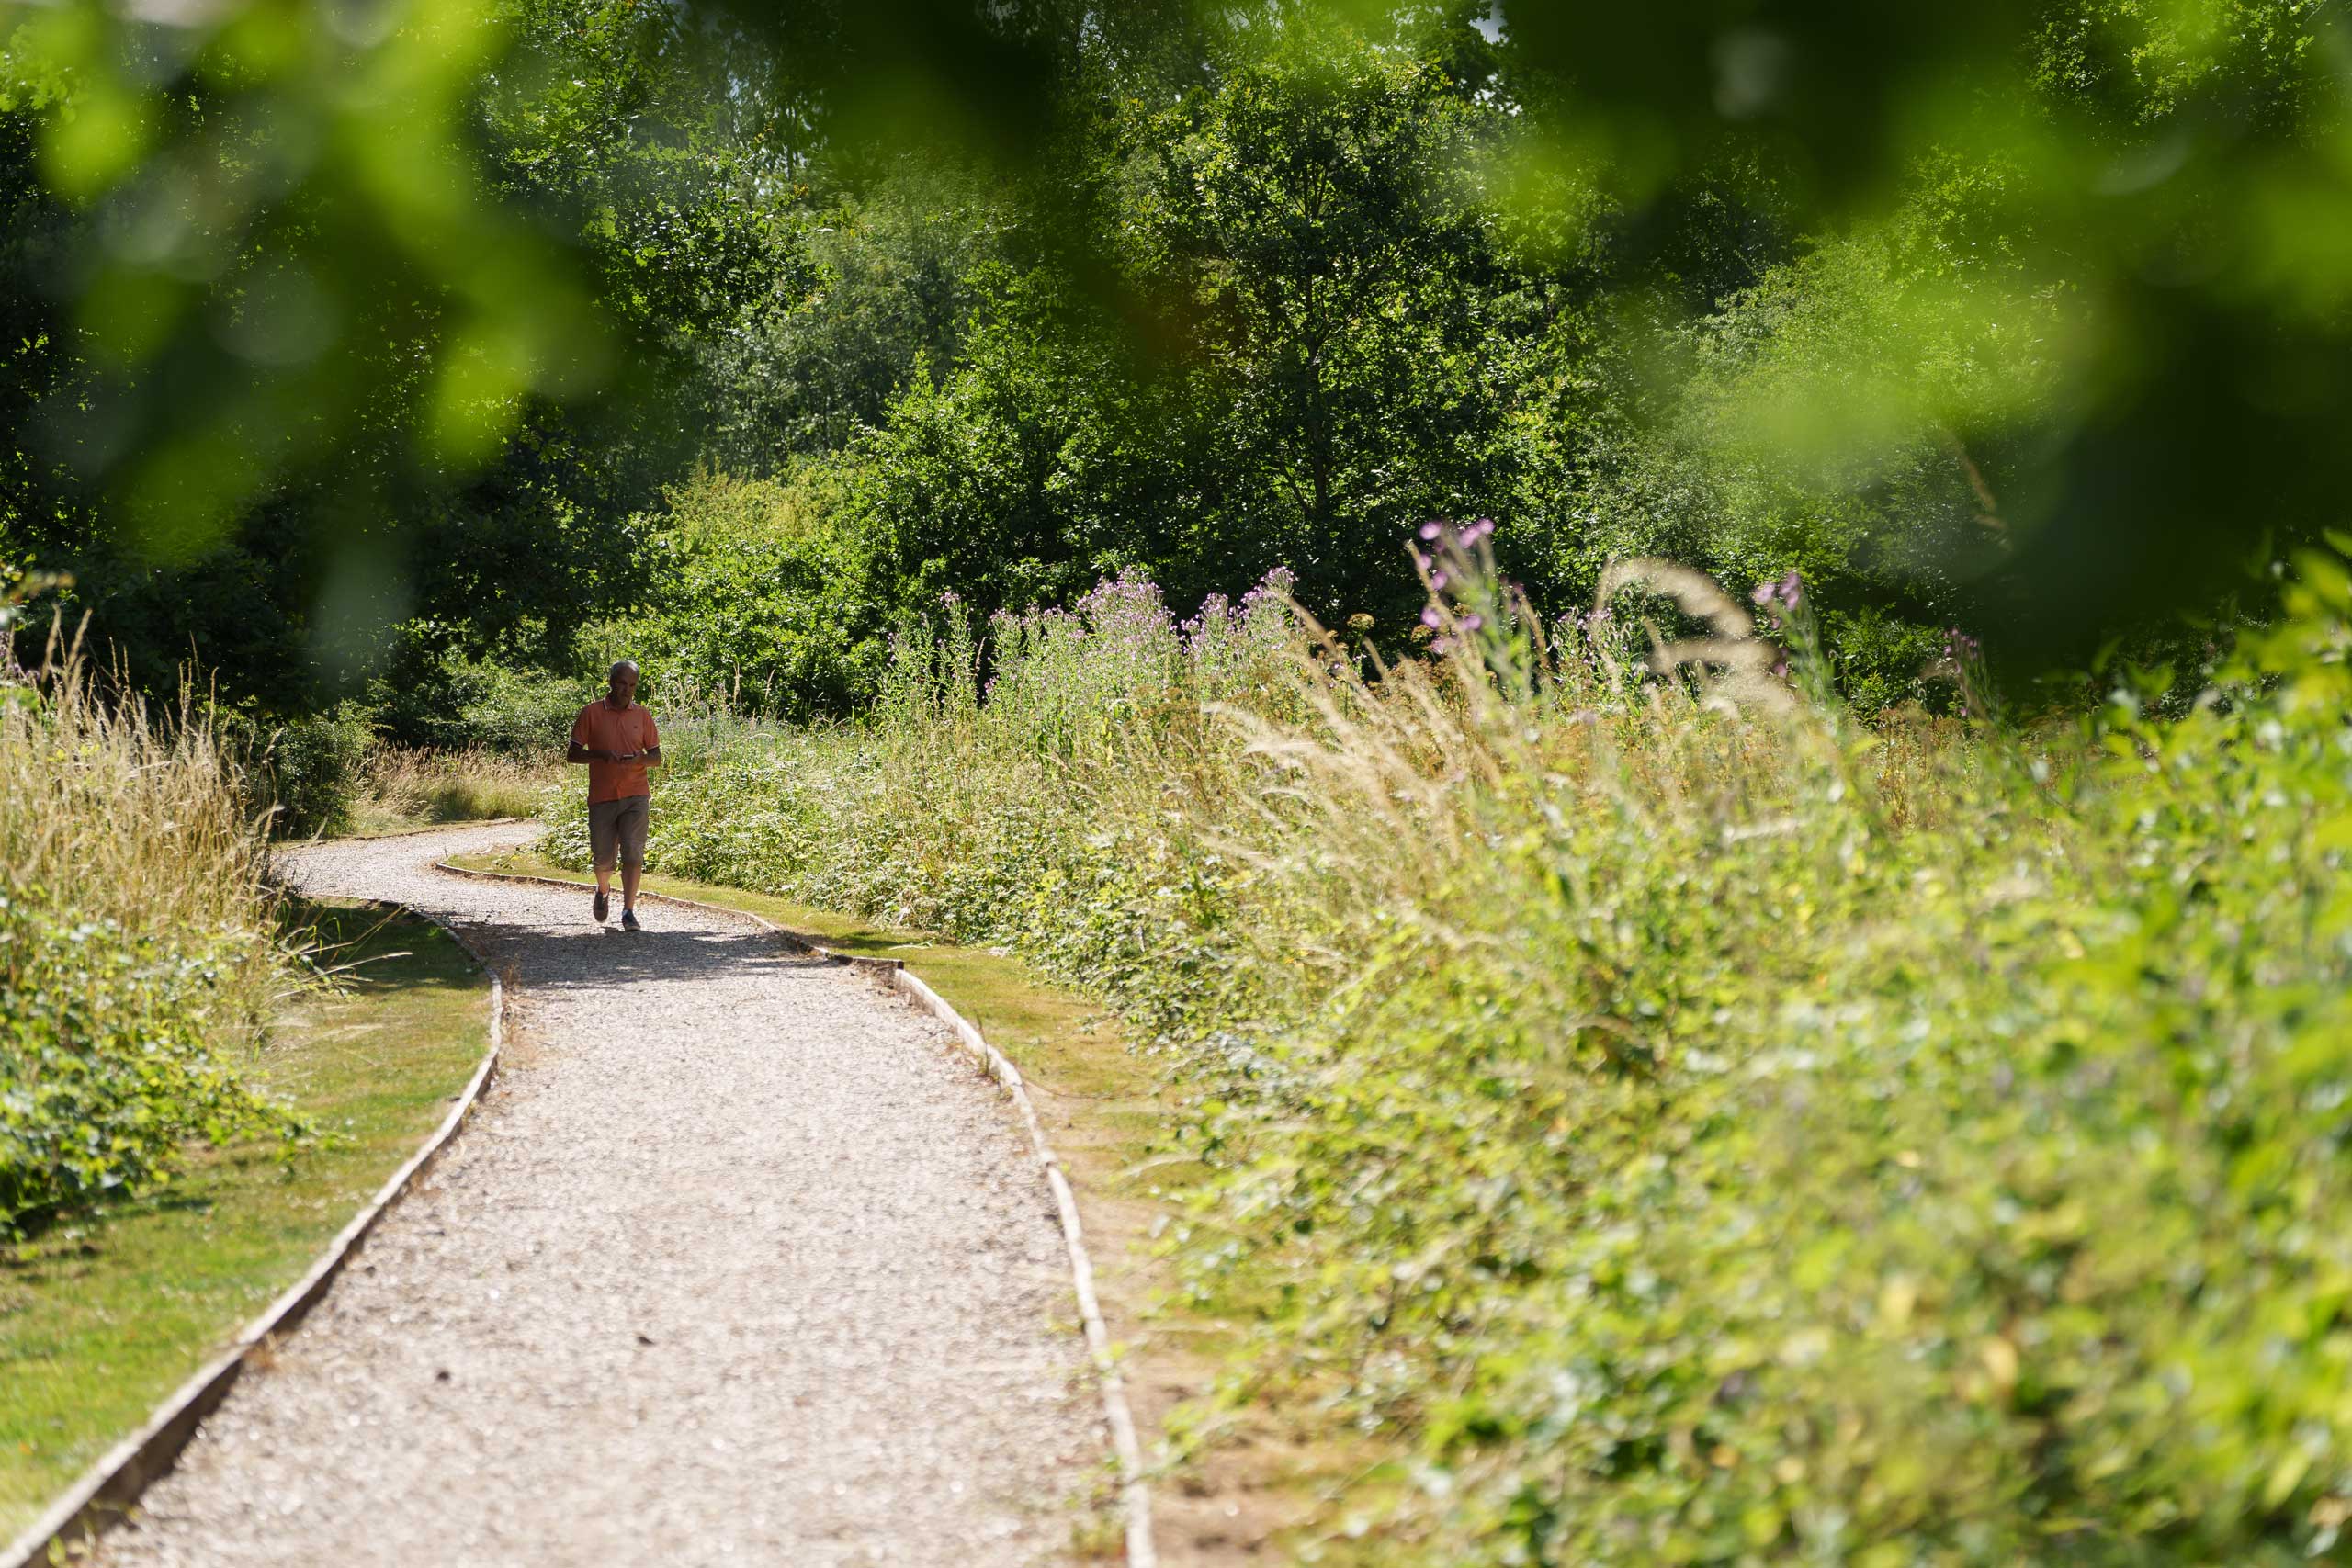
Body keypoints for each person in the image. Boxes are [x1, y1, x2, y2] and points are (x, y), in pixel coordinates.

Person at [567, 660, 662, 931]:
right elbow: (572, 754)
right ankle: (603, 889)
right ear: (611, 682)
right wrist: (601, 755)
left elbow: (657, 758)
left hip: (636, 794)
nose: (627, 690)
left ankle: (629, 911)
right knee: (604, 859)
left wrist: (639, 760)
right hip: (603, 796)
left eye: (632, 685)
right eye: (622, 684)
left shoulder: (642, 715)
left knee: (633, 853)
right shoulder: (591, 713)